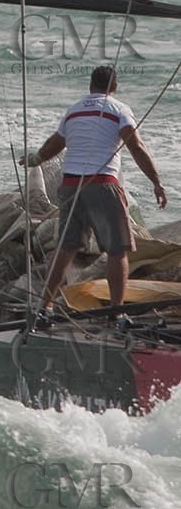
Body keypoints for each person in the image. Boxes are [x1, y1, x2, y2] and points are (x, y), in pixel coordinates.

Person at [27, 63, 167, 322]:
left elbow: (53, 146)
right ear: (114, 87)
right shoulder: (119, 109)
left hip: (69, 187)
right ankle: (116, 312)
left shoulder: (74, 111)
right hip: (102, 184)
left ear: (91, 85)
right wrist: (156, 182)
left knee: (65, 248)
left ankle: (43, 307)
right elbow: (135, 146)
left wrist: (36, 158)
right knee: (117, 250)